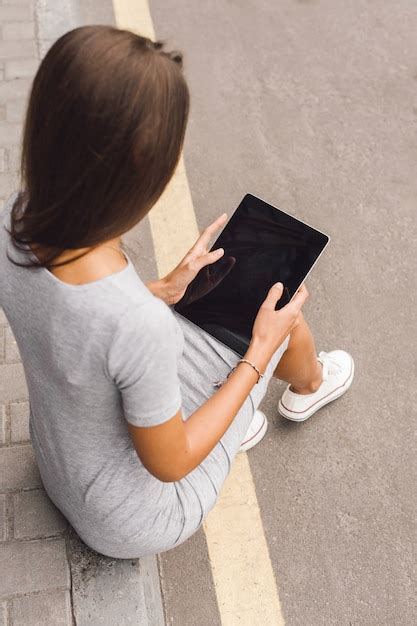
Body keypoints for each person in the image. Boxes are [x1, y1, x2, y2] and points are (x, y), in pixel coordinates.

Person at [0, 25, 354, 559]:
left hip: (60, 465)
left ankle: (244, 413)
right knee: (280, 318)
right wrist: (259, 352)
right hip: (134, 518)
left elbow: (73, 324)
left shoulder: (14, 221)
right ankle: (309, 386)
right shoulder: (134, 321)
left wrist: (163, 289)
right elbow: (170, 462)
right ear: (144, 169)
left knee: (224, 328)